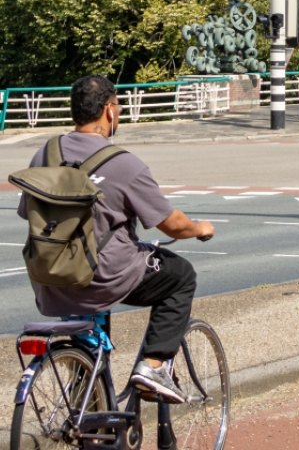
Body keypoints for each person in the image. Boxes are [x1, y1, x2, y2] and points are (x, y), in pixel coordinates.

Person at [16, 75, 215, 404]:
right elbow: (171, 225)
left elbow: (29, 213)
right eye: (118, 108)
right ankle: (152, 367)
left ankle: (91, 419)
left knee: (86, 339)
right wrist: (199, 228)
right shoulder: (123, 163)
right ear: (109, 111)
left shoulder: (44, 155)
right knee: (181, 276)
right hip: (104, 277)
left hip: (51, 280)